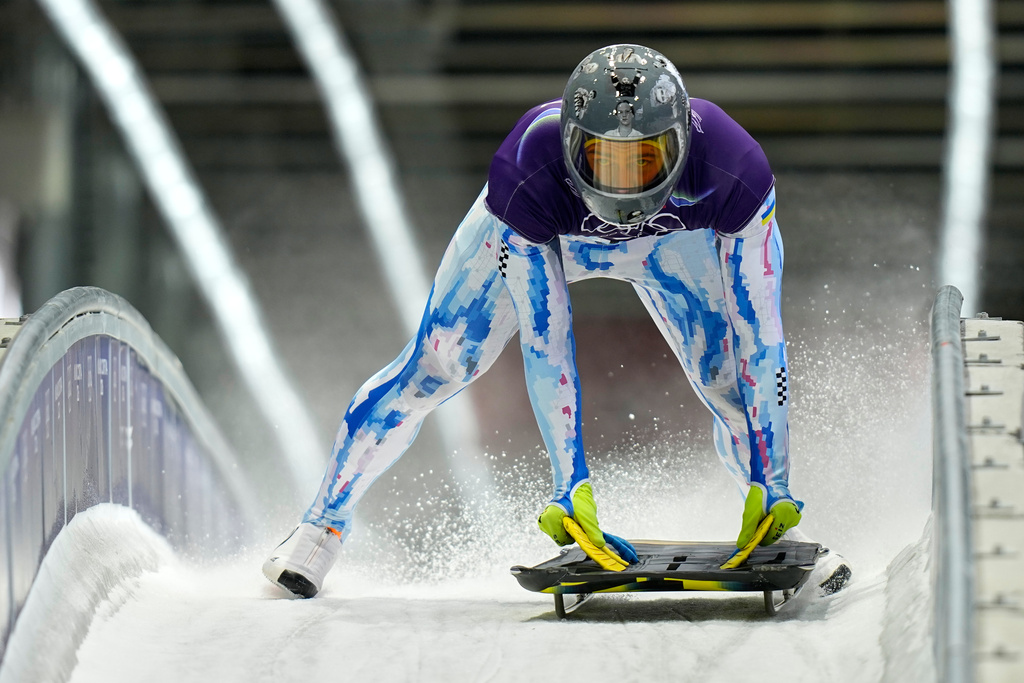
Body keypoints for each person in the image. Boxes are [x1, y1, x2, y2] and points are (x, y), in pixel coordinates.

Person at [262, 44, 851, 599]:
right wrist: (570, 484)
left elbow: (760, 337)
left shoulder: (736, 167)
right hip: (566, 234)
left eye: (645, 160)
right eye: (605, 159)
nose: (624, 184)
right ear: (570, 144)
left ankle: (780, 524)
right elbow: (548, 342)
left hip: (664, 241)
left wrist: (774, 479)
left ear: (681, 145)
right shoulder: (527, 168)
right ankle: (320, 528)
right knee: (441, 364)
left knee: (727, 379)